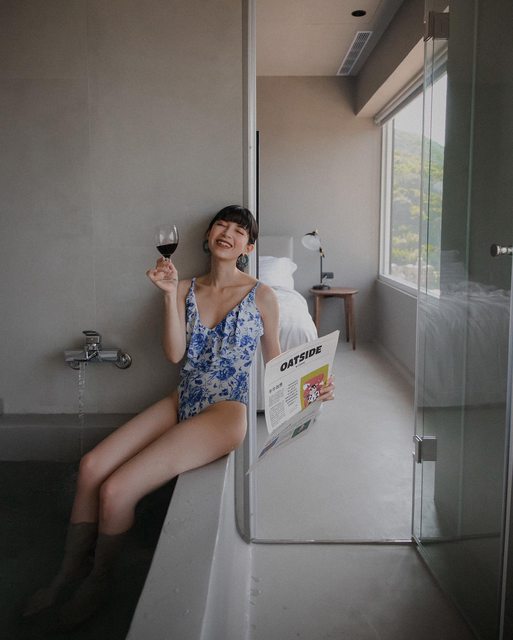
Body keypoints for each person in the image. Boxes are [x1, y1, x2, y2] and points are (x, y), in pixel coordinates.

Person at [23, 205, 334, 628]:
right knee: (91, 466)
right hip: (183, 396)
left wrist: (312, 390)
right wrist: (169, 295)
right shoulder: (183, 287)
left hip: (226, 411)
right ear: (207, 237)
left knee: (116, 490)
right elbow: (174, 355)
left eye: (239, 230)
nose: (228, 232)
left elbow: (276, 363)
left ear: (248, 247)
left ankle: (98, 582)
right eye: (221, 225)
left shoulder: (262, 295)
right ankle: (66, 574)